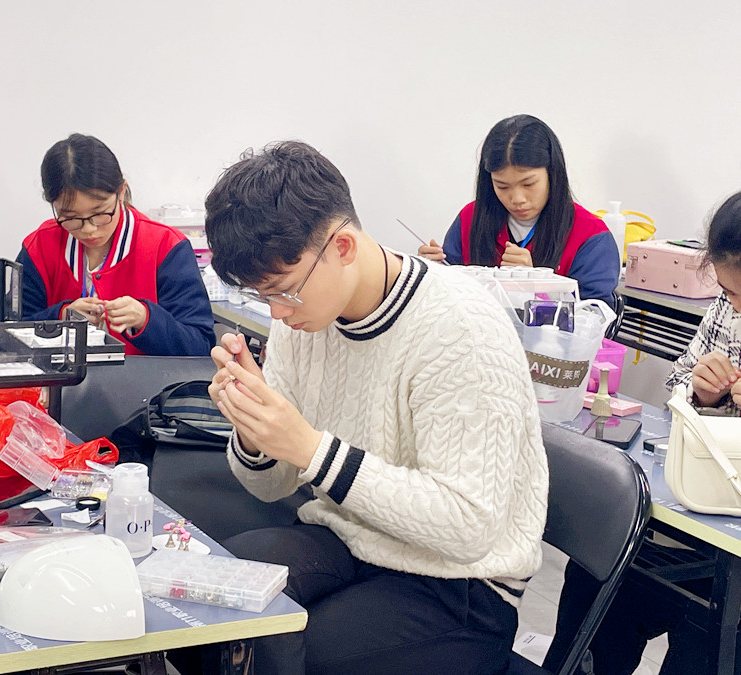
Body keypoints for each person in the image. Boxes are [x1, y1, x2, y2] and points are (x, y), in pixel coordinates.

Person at [202, 141, 548, 674]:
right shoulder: (304, 319)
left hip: (461, 584)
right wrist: (254, 430)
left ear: (342, 246)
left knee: (286, 657)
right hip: (346, 538)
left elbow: (467, 528)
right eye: (262, 296)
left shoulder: (461, 329)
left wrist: (310, 450)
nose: (277, 313)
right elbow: (271, 487)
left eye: (283, 292)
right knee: (210, 600)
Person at [546, 190, 741, 674]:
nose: (734, 306)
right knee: (601, 569)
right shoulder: (726, 307)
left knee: (710, 634)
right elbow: (680, 383)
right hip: (700, 498)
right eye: (729, 292)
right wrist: (703, 393)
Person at [17, 133, 215, 356]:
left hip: (146, 379)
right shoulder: (40, 247)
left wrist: (146, 320)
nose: (89, 229)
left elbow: (200, 346)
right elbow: (9, 330)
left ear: (121, 192)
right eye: (70, 217)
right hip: (60, 378)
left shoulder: (165, 247)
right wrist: (59, 318)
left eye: (100, 213)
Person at [418, 115, 620, 307]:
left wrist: (537, 286)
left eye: (528, 184)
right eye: (502, 186)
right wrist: (429, 275)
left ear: (552, 174)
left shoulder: (590, 236)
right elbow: (447, 302)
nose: (517, 199)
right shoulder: (470, 220)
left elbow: (597, 318)